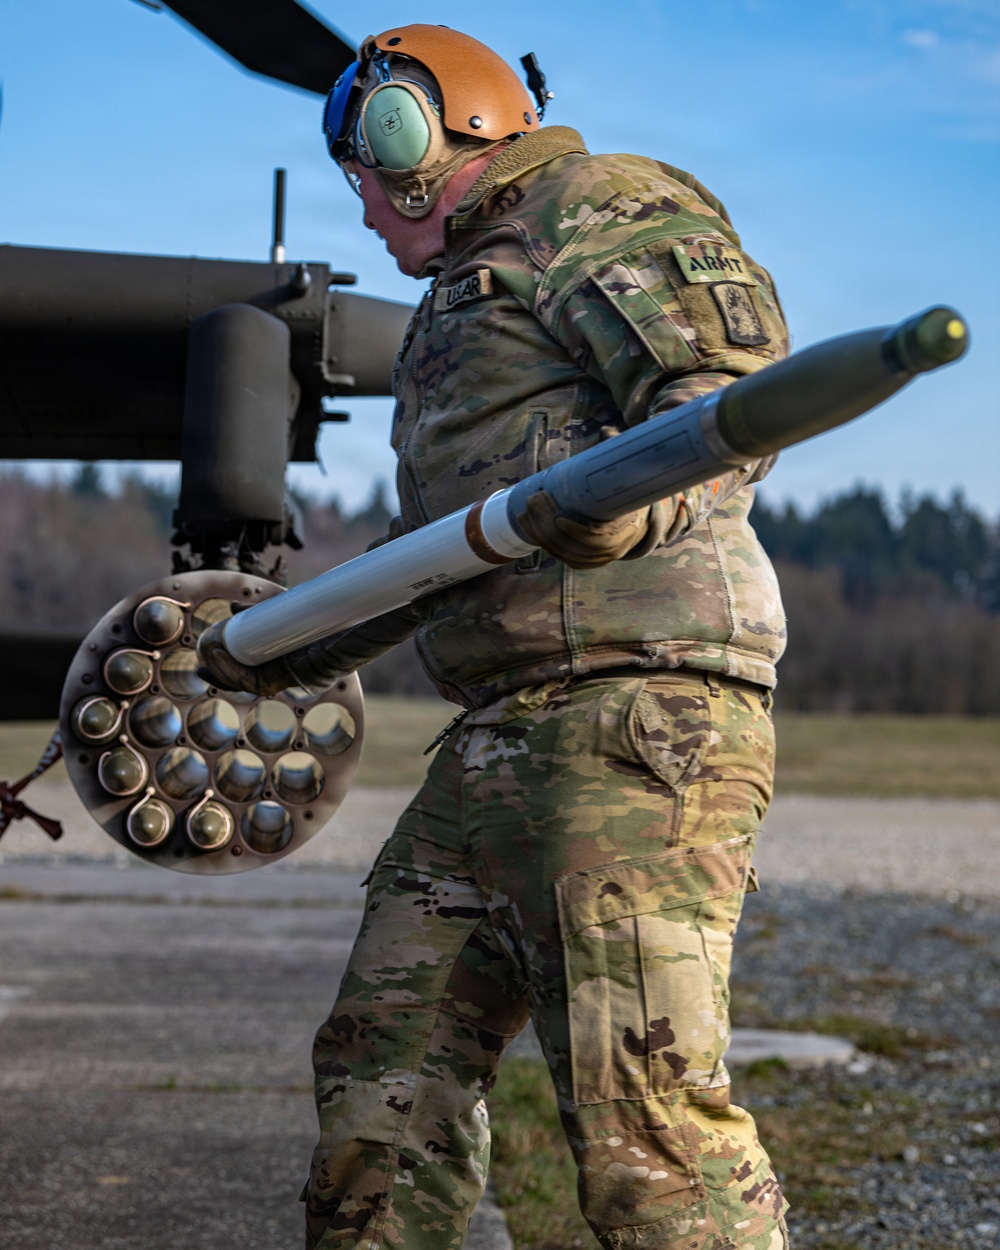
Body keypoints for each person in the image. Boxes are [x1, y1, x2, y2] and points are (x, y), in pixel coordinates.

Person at [201, 23, 790, 1250]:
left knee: (648, 1137)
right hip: (491, 746)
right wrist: (279, 647)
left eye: (363, 168)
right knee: (380, 1091)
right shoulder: (456, 298)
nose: (358, 207)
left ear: (418, 132)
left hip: (631, 723)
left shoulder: (597, 201)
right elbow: (459, 543)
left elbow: (723, 395)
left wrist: (622, 512)